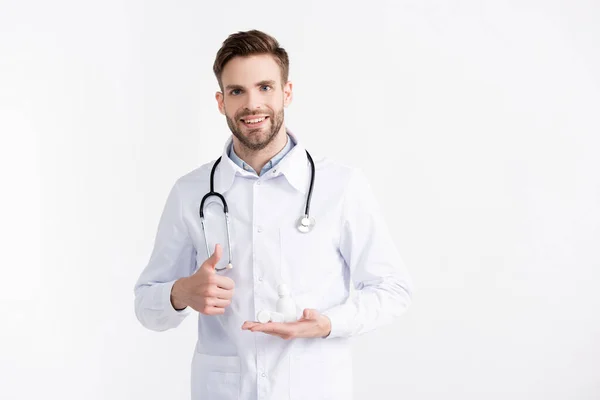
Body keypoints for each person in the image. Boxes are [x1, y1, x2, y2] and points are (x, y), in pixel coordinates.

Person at [134, 29, 413, 400]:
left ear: (287, 93)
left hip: (314, 387)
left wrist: (329, 324)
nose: (253, 104)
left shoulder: (342, 186)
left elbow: (392, 289)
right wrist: (182, 292)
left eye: (265, 87)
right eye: (237, 91)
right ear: (221, 101)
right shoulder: (191, 192)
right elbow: (146, 306)